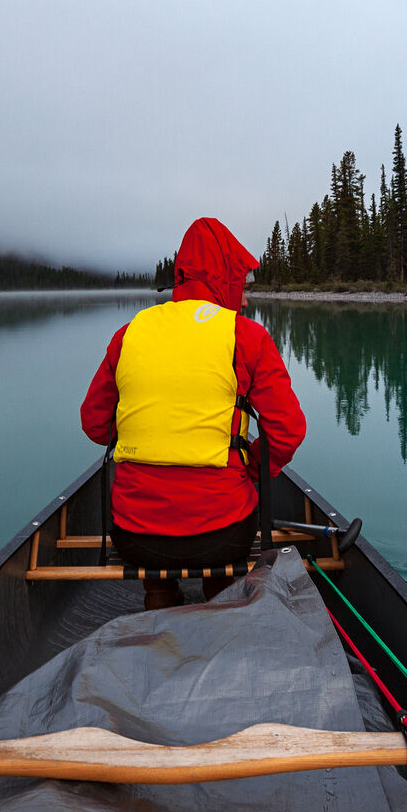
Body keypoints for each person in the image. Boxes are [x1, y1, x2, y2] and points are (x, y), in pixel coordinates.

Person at [81, 218, 306, 609]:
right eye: (242, 282)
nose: (246, 299)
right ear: (223, 278)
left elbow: (95, 425)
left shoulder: (128, 333)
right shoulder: (245, 336)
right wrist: (250, 469)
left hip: (135, 535)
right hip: (223, 533)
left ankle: (159, 598)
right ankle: (220, 602)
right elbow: (286, 433)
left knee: (156, 560)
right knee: (225, 548)